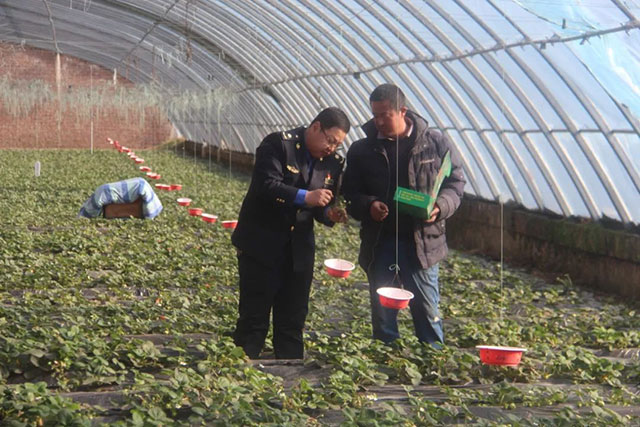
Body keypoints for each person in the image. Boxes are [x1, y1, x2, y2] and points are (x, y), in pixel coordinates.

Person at [343, 84, 465, 347]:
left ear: (403, 111)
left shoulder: (434, 144)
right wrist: (369, 205)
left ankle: (432, 359)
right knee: (384, 310)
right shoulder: (362, 150)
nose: (379, 121)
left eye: (385, 114)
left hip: (422, 242)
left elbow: (456, 184)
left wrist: (440, 206)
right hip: (381, 241)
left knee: (426, 307)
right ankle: (387, 358)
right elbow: (349, 193)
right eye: (375, 115)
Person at [231, 107, 350, 359]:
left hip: (299, 250)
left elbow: (321, 205)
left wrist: (329, 213)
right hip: (261, 243)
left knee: (293, 319)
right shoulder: (278, 144)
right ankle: (240, 374)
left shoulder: (333, 163)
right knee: (254, 317)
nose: (331, 148)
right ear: (316, 127)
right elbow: (266, 185)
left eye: (337, 145)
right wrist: (305, 196)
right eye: (330, 140)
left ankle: (290, 378)